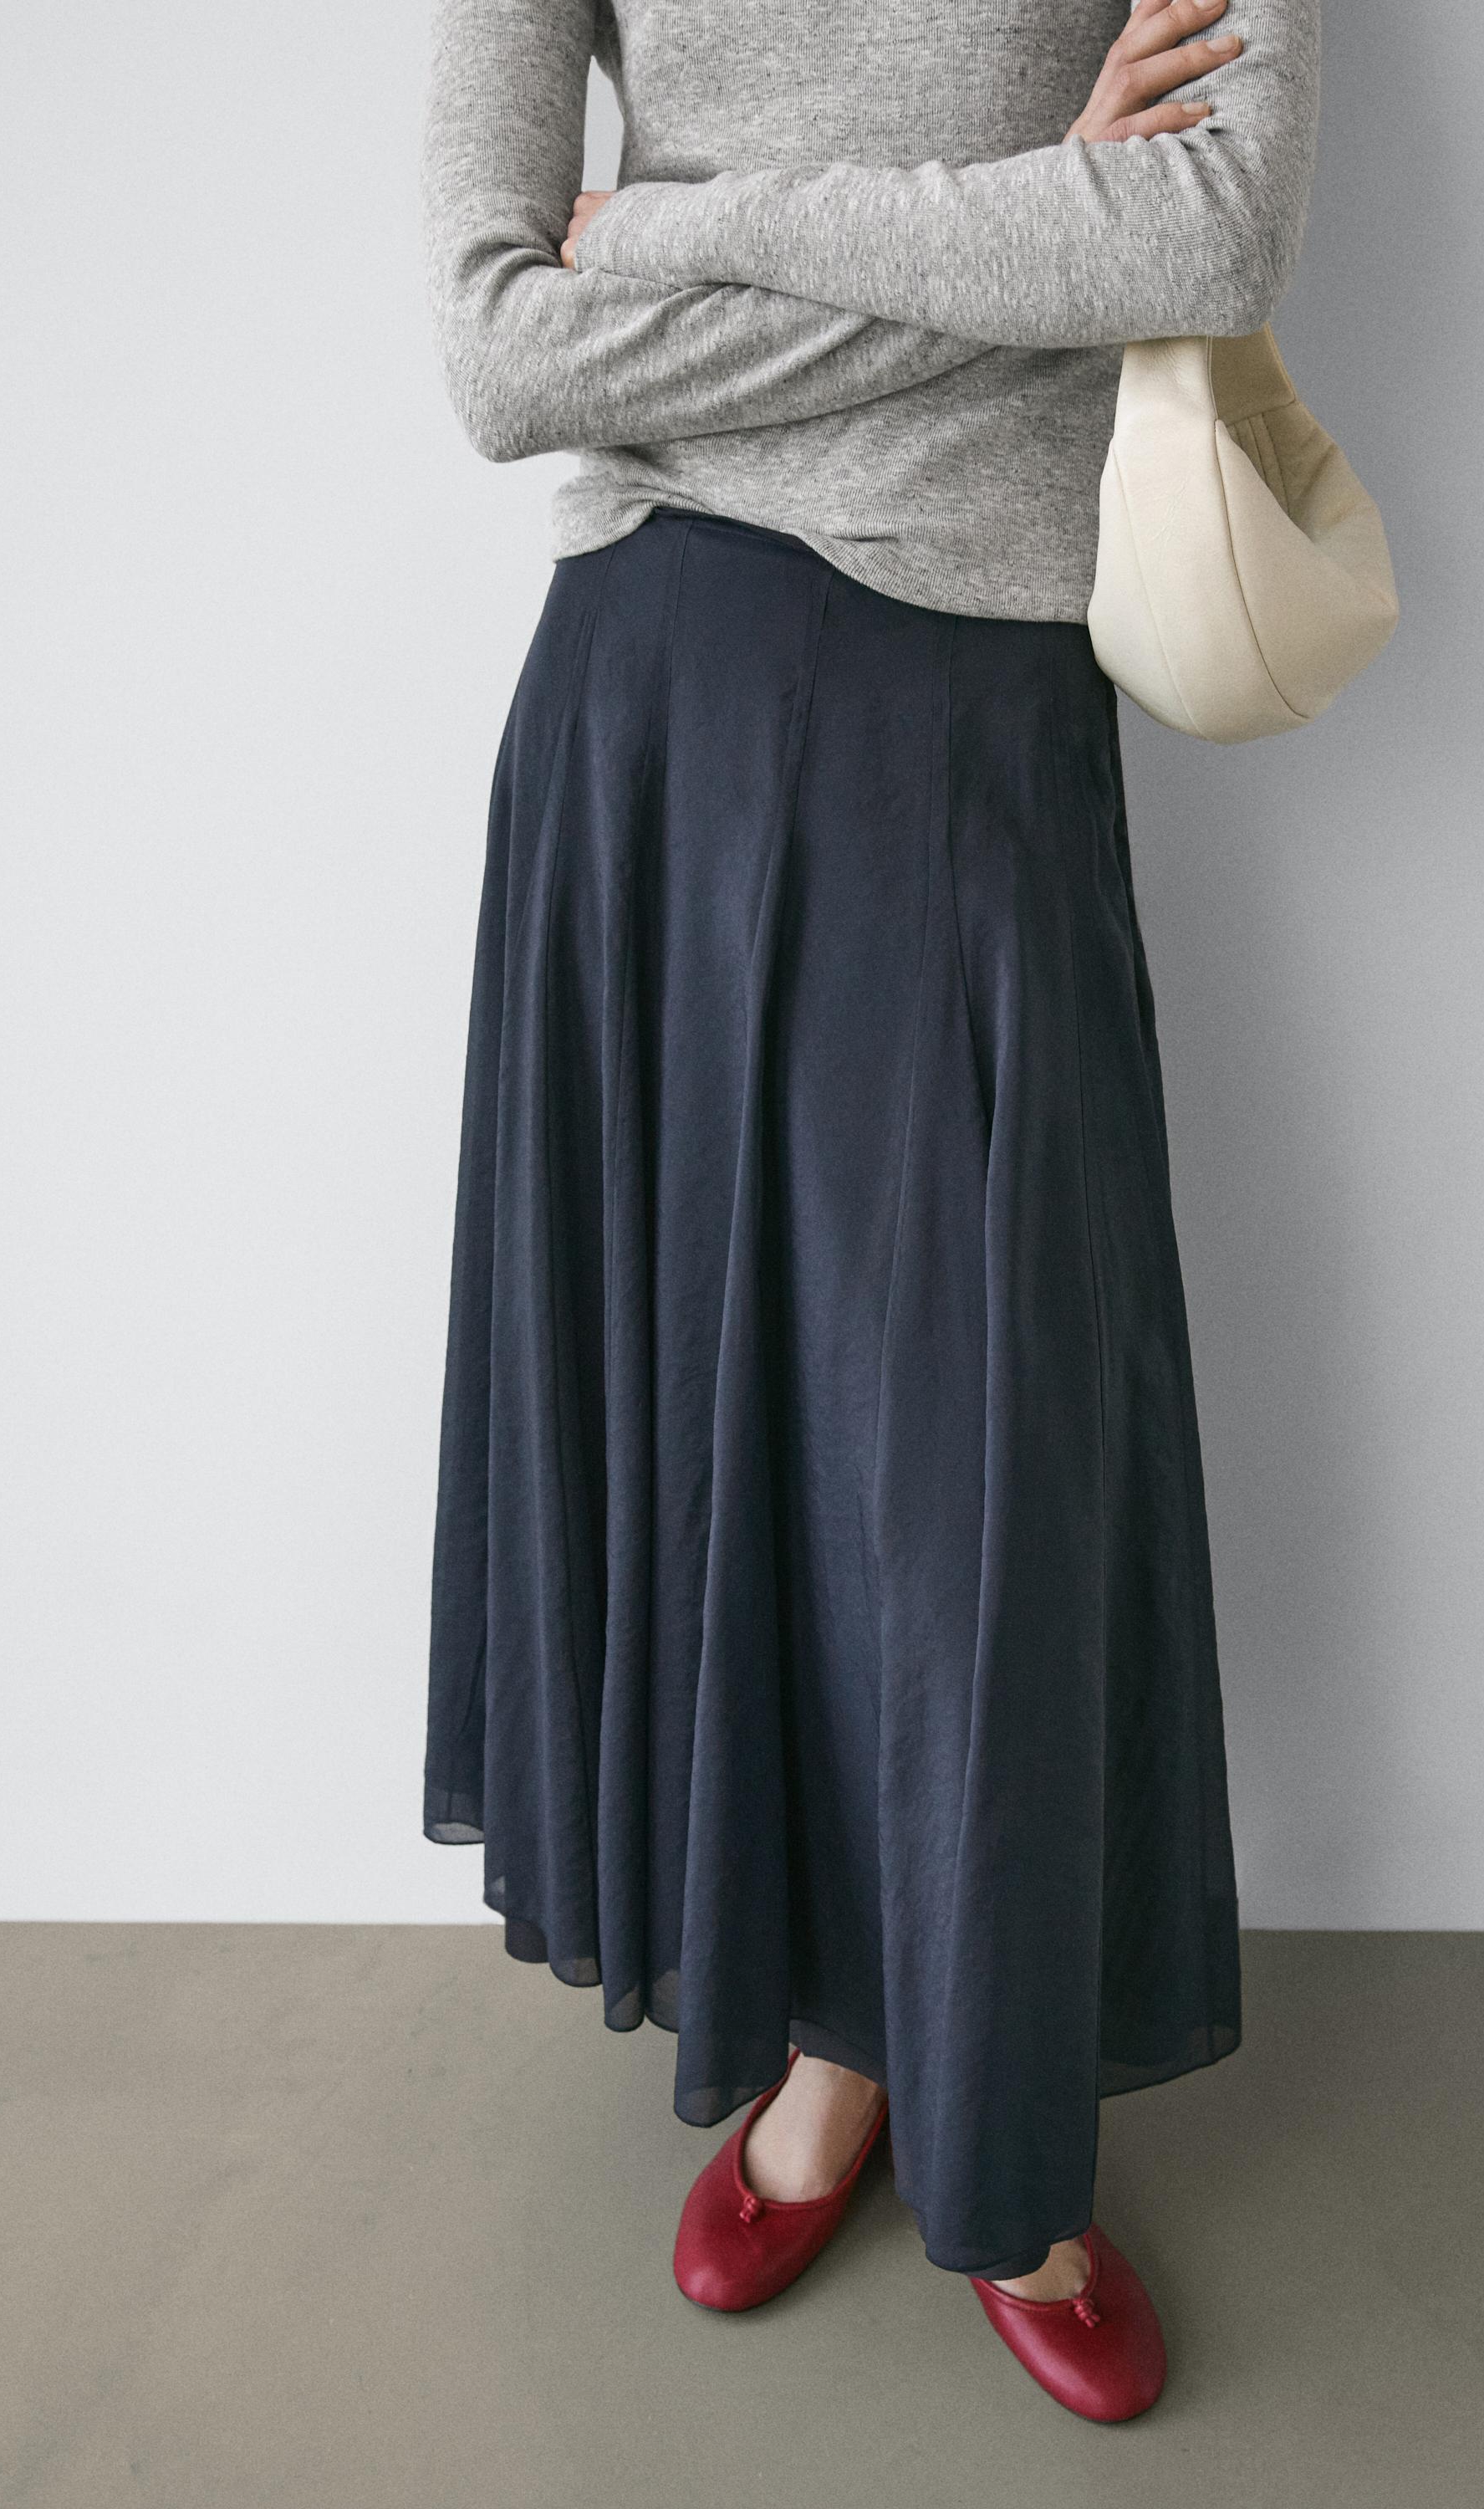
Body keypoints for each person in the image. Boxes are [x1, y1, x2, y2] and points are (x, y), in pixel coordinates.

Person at [420, 0, 1318, 2423]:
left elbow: (1207, 225)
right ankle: (830, 2056)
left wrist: (693, 236)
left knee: (972, 1468)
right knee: (740, 1456)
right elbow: (501, 351)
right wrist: (1020, 224)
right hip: (654, 720)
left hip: (972, 726)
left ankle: (996, 2108)